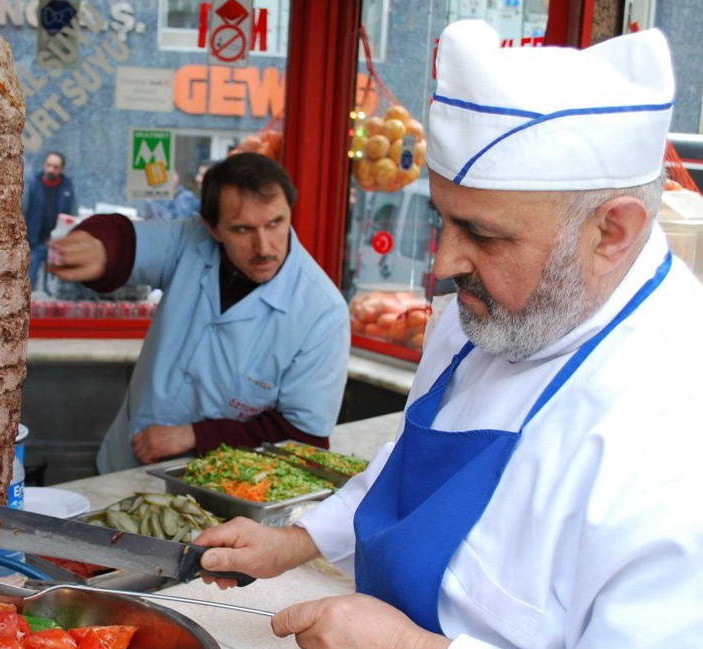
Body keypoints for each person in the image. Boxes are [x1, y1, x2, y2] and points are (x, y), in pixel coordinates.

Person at [193, 21, 703, 648]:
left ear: (613, 232)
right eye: (444, 221)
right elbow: (407, 475)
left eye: (484, 234)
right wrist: (295, 543)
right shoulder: (488, 311)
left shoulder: (676, 432)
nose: (444, 263)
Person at [49, 153, 351, 473]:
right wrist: (98, 246)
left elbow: (303, 439)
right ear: (213, 228)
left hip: (223, 495)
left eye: (276, 223)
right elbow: (127, 241)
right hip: (121, 472)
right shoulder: (189, 241)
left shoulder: (322, 312)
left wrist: (195, 436)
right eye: (242, 229)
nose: (264, 247)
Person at [24, 151, 77, 291]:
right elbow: (23, 211)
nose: (51, 170)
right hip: (34, 243)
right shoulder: (33, 185)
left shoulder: (68, 188)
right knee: (29, 285)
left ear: (62, 169)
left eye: (55, 167)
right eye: (48, 165)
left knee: (54, 289)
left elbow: (73, 215)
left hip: (57, 245)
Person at [140, 159, 212, 221]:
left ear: (177, 175)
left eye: (171, 173)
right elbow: (145, 222)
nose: (168, 177)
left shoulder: (189, 197)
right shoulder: (151, 201)